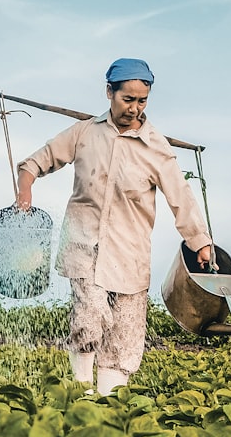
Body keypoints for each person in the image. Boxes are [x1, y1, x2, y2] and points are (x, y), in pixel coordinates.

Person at [15, 58, 213, 395]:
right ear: (109, 92)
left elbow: (182, 197)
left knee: (125, 333)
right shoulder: (84, 133)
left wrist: (200, 241)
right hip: (83, 244)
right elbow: (37, 161)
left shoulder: (156, 148)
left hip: (130, 252)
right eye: (127, 100)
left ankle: (109, 403)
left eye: (142, 101)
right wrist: (25, 189)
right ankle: (80, 395)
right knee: (90, 315)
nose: (135, 109)